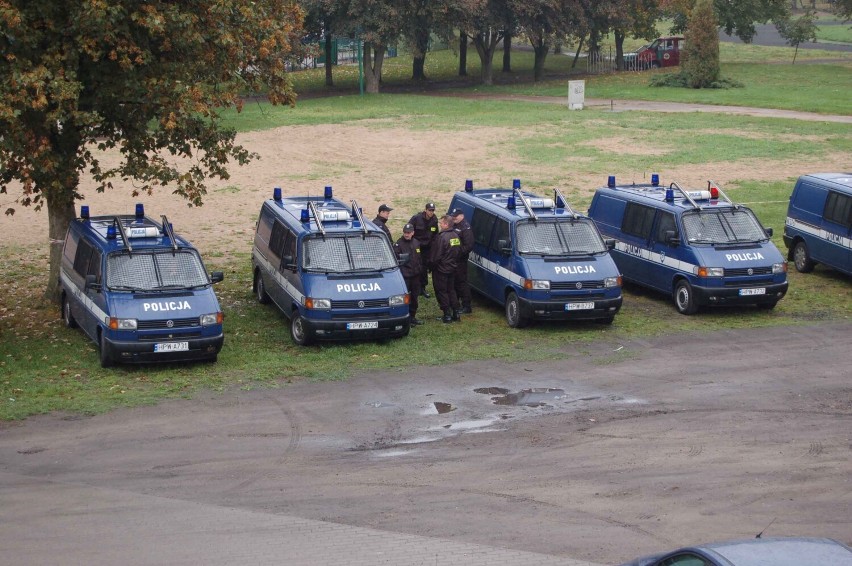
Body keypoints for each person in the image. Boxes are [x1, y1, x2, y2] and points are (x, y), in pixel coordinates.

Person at [429, 215, 462, 323]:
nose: (440, 224)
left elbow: (436, 256)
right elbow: (458, 252)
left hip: (441, 270)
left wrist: (432, 266)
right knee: (451, 290)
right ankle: (456, 313)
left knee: (442, 291)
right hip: (452, 268)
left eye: (442, 223)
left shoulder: (441, 237)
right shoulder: (456, 236)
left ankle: (447, 314)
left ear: (446, 224)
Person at [394, 224, 423, 325]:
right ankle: (404, 318)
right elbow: (396, 261)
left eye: (408, 233)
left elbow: (419, 259)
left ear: (413, 233)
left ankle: (412, 317)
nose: (406, 235)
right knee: (405, 298)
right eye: (405, 232)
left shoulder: (416, 243)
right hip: (405, 276)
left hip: (415, 276)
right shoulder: (398, 245)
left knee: (414, 297)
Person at [408, 202, 438, 298]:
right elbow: (408, 230)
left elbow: (435, 234)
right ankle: (414, 288)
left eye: (433, 210)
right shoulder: (416, 218)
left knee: (424, 268)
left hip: (427, 248)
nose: (431, 212)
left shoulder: (434, 220)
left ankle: (422, 288)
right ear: (425, 210)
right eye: (429, 210)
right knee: (415, 266)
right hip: (416, 247)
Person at [451, 208, 474, 314]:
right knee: (454, 282)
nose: (454, 217)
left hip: (460, 261)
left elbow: (468, 246)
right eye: (453, 215)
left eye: (456, 216)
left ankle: (466, 306)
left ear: (462, 216)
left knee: (462, 283)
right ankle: (456, 303)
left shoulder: (466, 228)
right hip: (453, 260)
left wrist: (457, 254)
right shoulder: (455, 225)